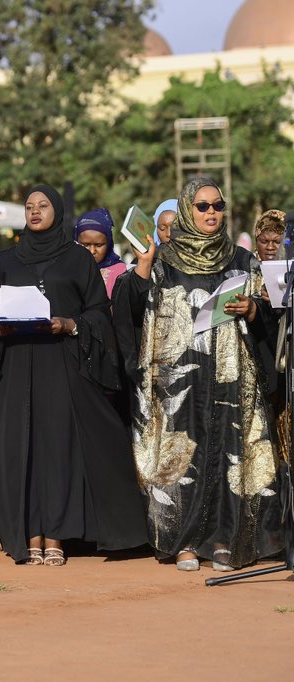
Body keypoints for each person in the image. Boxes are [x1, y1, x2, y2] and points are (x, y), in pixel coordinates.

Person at [0, 184, 146, 567]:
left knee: (58, 449)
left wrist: (69, 324)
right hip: (16, 366)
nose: (34, 211)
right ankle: (30, 533)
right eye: (29, 206)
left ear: (58, 210)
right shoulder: (8, 260)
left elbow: (99, 313)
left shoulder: (77, 259)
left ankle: (57, 537)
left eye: (42, 205)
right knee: (24, 450)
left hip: (62, 366)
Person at [114, 178, 283, 571]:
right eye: (203, 206)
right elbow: (138, 312)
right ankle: (185, 542)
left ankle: (224, 539)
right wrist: (143, 263)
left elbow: (267, 311)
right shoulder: (166, 260)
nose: (211, 213)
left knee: (230, 452)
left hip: (231, 373)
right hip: (181, 377)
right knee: (184, 455)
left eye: (218, 206)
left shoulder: (242, 259)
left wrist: (253, 310)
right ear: (189, 210)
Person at [74, 208, 128, 297]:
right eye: (86, 245)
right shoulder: (68, 269)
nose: (92, 251)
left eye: (98, 245)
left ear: (109, 244)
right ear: (76, 241)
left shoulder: (120, 272)